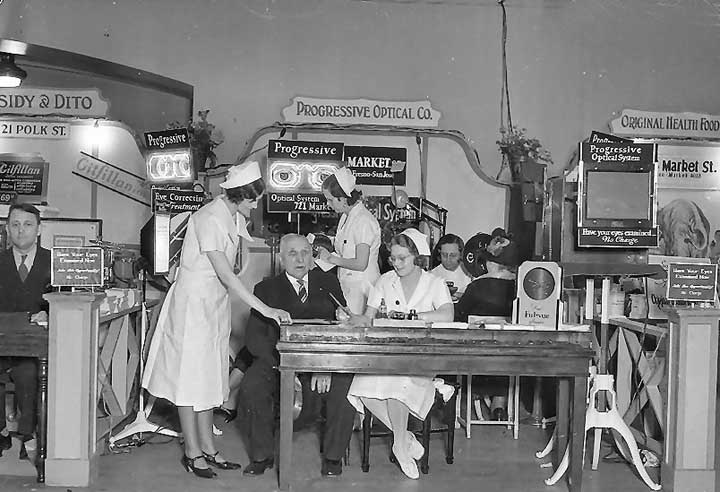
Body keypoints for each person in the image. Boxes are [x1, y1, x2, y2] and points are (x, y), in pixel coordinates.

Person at [141, 161, 291, 479]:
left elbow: (242, 254)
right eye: (253, 199)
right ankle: (192, 452)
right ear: (240, 195)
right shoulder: (209, 218)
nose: (255, 205)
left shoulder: (231, 215)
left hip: (212, 304)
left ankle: (209, 447)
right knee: (188, 379)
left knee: (209, 376)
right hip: (192, 306)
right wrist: (265, 309)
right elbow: (227, 275)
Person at [237, 234, 355, 477]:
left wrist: (325, 365)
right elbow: (255, 339)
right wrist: (286, 367)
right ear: (281, 258)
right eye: (292, 253)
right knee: (252, 385)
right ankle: (262, 456)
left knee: (345, 387)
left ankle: (333, 457)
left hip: (322, 360)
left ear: (312, 255)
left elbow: (341, 328)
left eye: (305, 252)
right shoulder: (265, 289)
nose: (300, 259)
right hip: (278, 362)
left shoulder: (328, 283)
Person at [347, 228, 453, 479]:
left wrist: (412, 316)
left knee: (396, 382)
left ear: (417, 256)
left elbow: (447, 314)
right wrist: (353, 317)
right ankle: (403, 438)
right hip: (388, 353)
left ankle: (400, 449)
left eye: (402, 258)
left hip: (421, 356)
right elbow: (369, 317)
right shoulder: (385, 281)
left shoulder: (434, 283)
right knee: (360, 387)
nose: (397, 263)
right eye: (393, 258)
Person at [0, 203, 51, 460]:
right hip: (2, 343)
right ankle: (1, 433)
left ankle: (28, 436)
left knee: (29, 375)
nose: (21, 230)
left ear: (39, 229)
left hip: (35, 348)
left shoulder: (53, 262)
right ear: (7, 229)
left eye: (28, 225)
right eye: (15, 225)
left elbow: (67, 298)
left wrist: (50, 312)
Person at [455, 228, 519, 420]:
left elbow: (458, 316)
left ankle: (475, 398)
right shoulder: (520, 288)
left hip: (476, 357)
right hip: (509, 357)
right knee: (504, 351)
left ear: (491, 263)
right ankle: (499, 404)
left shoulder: (477, 287)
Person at [318, 167, 381, 314]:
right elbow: (345, 252)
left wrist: (331, 259)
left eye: (330, 200)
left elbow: (361, 263)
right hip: (347, 285)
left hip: (362, 287)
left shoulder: (363, 221)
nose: (328, 204)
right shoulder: (345, 217)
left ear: (343, 198)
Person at [430, 233, 472, 300]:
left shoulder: (470, 272)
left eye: (453, 255)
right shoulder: (432, 275)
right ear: (439, 252)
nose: (448, 259)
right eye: (444, 255)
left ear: (461, 254)